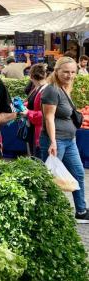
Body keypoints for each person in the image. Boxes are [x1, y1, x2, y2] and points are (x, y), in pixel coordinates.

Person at [40, 56, 88, 221]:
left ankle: (81, 211)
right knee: (51, 179)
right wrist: (53, 141)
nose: (70, 75)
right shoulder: (52, 90)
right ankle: (46, 214)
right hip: (56, 141)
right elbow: (48, 118)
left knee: (78, 173)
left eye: (73, 72)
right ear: (57, 71)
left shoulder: (64, 87)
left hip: (69, 140)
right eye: (66, 72)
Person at [20, 64, 48, 157]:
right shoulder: (38, 88)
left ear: (31, 76)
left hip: (40, 131)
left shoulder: (45, 90)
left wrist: (28, 113)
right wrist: (22, 105)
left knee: (39, 158)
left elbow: (45, 114)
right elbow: (33, 104)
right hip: (34, 128)